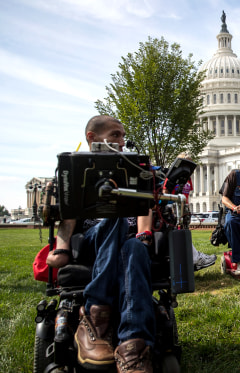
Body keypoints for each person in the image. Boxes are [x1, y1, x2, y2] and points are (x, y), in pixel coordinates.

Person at [46, 115, 154, 372]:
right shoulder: (75, 169)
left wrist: (145, 234)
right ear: (92, 138)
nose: (122, 141)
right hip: (92, 239)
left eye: (122, 136)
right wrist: (61, 249)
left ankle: (133, 346)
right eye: (115, 134)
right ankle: (95, 317)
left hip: (126, 242)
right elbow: (68, 220)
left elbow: (144, 207)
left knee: (136, 247)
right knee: (113, 219)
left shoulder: (132, 166)